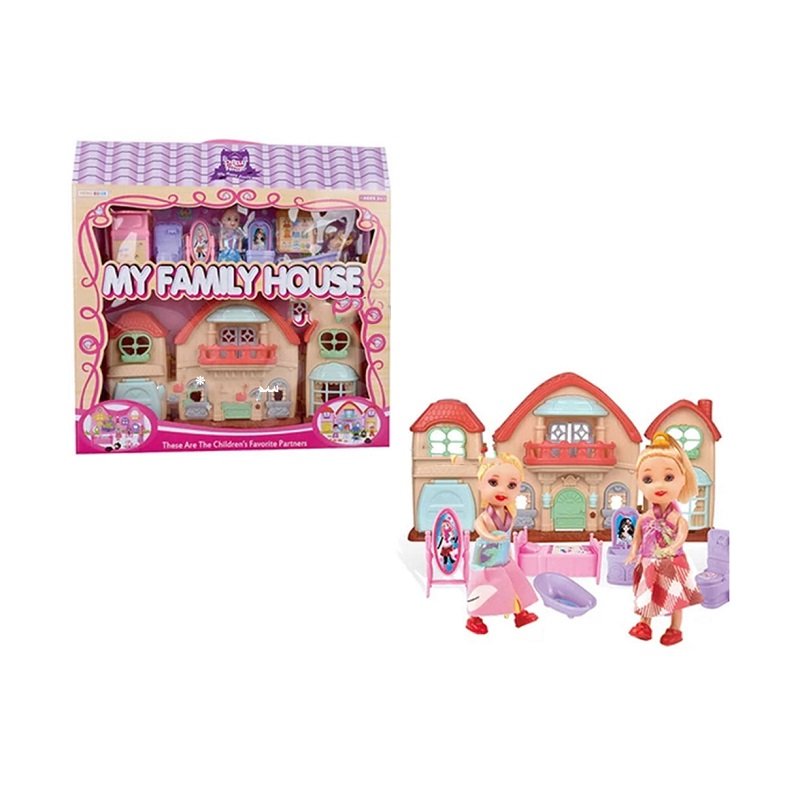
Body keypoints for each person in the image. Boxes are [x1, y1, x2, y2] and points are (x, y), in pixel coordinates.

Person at [626, 432, 703, 645]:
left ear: (682, 479)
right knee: (647, 593)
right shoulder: (645, 517)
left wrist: (673, 547)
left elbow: (682, 536)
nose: (658, 485)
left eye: (669, 478)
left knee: (675, 597)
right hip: (649, 561)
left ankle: (675, 628)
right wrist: (633, 551)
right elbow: (638, 536)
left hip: (671, 563)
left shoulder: (675, 517)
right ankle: (644, 623)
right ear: (639, 482)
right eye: (648, 479)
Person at [465, 453, 538, 635]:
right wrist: (490, 537)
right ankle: (474, 618)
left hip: (503, 558)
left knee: (515, 584)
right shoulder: (485, 516)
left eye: (511, 485)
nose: (502, 490)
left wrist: (507, 549)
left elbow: (507, 534)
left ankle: (519, 613)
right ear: (481, 484)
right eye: (493, 482)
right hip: (486, 560)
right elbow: (479, 528)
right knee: (483, 590)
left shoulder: (509, 514)